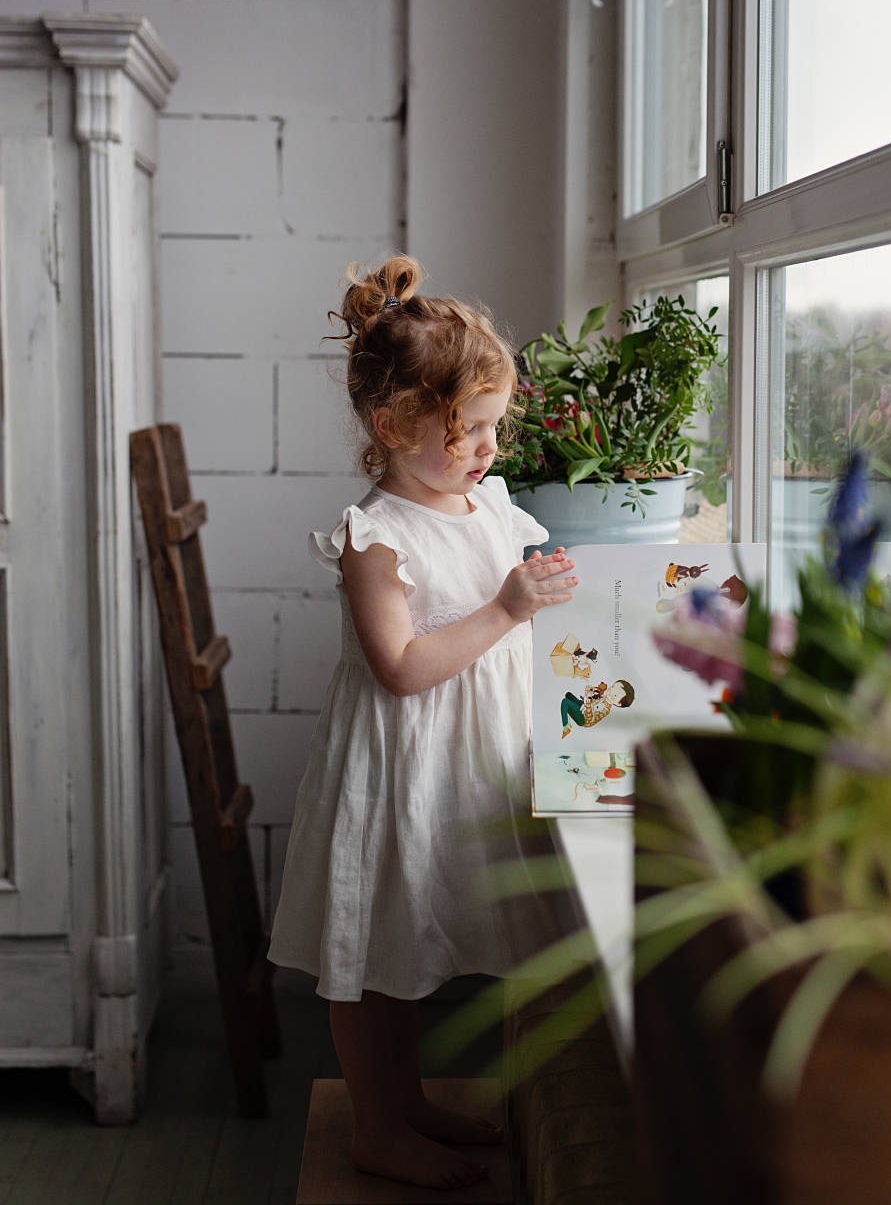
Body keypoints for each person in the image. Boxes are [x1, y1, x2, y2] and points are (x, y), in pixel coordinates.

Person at [268, 254, 577, 1191]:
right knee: (373, 950)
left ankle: (407, 1107)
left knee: (414, 940)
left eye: (493, 427)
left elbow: (516, 606)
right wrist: (508, 611)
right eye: (469, 430)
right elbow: (401, 669)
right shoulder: (376, 537)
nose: (488, 449)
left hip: (470, 762)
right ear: (393, 424)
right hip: (398, 767)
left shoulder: (485, 502)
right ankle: (377, 1125)